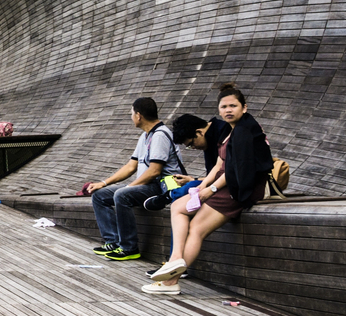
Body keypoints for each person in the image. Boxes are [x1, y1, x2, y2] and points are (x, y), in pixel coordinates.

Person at [144, 83, 273, 296]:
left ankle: (171, 281)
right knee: (178, 206)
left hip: (240, 190)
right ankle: (175, 259)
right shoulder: (232, 130)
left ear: (244, 107)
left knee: (196, 229)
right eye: (224, 107)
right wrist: (201, 185)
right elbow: (219, 163)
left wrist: (210, 189)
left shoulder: (243, 132)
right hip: (228, 184)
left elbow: (233, 171)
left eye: (233, 106)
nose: (228, 110)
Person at [80, 97, 183, 261]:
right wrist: (103, 183)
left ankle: (129, 248)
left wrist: (129, 187)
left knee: (122, 195)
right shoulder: (145, 136)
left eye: (131, 113)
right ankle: (113, 241)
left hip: (161, 187)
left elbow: (155, 171)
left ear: (139, 116)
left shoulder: (160, 135)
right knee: (100, 195)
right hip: (146, 185)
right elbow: (130, 167)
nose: (131, 117)